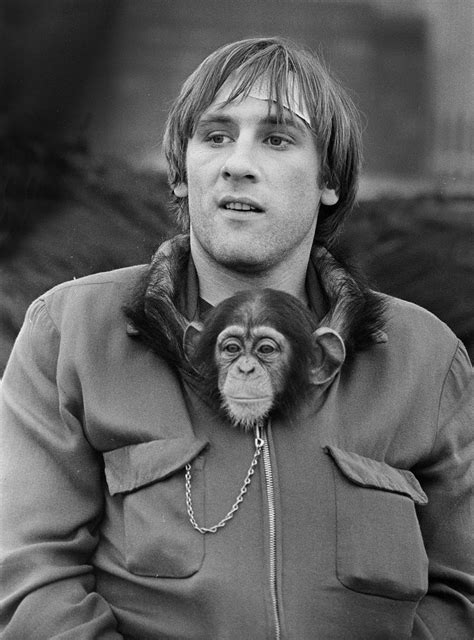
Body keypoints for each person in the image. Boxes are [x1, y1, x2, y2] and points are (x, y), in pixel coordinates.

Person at [0, 36, 472, 640]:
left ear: (329, 179)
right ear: (181, 172)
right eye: (216, 136)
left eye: (276, 139)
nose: (237, 163)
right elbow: (30, 582)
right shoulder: (71, 334)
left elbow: (462, 595)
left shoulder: (425, 359)